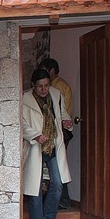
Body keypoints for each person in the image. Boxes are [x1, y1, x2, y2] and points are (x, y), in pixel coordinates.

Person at [22, 68, 73, 219]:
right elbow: (21, 123)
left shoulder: (57, 95)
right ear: (33, 86)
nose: (44, 89)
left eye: (46, 85)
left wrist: (67, 122)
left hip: (52, 145)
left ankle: (49, 213)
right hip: (36, 146)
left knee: (57, 183)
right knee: (35, 186)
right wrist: (35, 135)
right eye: (39, 86)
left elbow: (63, 115)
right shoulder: (25, 99)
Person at [39, 58, 73, 209]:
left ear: (51, 70)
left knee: (57, 170)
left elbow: (62, 113)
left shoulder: (59, 88)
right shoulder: (56, 86)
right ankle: (55, 203)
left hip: (59, 133)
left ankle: (62, 201)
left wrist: (65, 124)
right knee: (53, 170)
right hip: (51, 134)